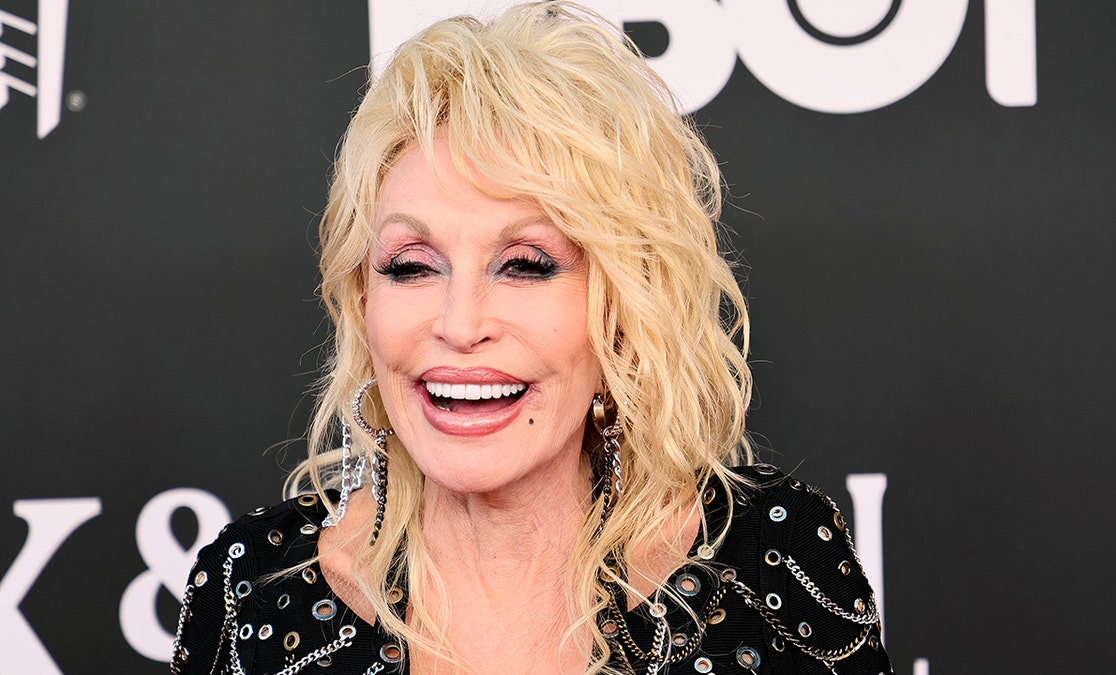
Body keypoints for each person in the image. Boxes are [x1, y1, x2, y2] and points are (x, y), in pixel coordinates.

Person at [171, 3, 893, 673]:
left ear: (620, 304)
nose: (459, 323)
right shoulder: (251, 594)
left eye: (525, 265)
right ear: (364, 299)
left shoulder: (776, 563)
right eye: (412, 266)